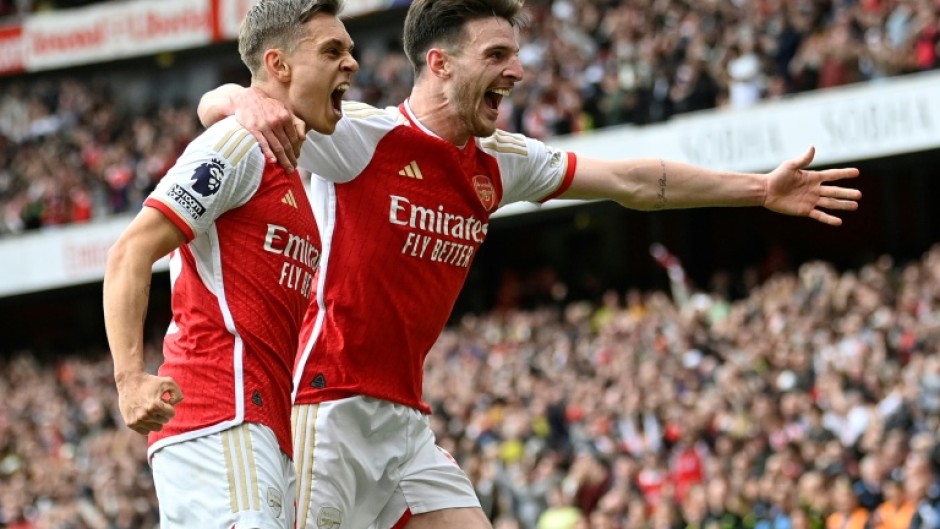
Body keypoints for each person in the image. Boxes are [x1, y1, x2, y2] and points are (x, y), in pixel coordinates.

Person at [197, 0, 861, 528]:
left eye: (516, 55)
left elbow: (634, 179)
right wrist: (237, 100)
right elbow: (222, 106)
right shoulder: (361, 138)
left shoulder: (499, 160)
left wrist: (758, 190)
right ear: (440, 64)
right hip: (325, 408)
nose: (516, 71)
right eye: (497, 55)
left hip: (403, 423)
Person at [103, 1, 357, 528]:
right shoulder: (240, 144)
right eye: (332, 51)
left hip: (256, 426)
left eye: (351, 50)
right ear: (279, 65)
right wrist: (128, 378)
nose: (351, 63)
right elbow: (131, 250)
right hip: (223, 415)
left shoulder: (286, 162)